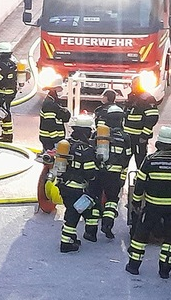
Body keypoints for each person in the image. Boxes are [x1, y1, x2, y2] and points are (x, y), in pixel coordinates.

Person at [127, 127, 171, 278]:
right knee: (170, 238)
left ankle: (133, 266)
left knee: (141, 236)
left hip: (153, 206)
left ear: (159, 144)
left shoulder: (150, 160)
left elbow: (140, 183)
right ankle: (165, 270)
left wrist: (136, 202)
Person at [57, 114, 98, 253]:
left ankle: (72, 237)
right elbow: (90, 173)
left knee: (71, 210)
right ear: (86, 131)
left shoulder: (66, 143)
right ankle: (66, 244)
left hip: (63, 186)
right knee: (73, 216)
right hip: (77, 188)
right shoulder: (86, 150)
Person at [90, 104, 130, 239]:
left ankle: (91, 231)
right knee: (112, 200)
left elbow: (91, 153)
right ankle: (107, 224)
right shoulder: (125, 137)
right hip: (114, 174)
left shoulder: (98, 134)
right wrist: (122, 176)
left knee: (95, 199)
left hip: (97, 173)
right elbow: (127, 158)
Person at [123, 76, 159, 169]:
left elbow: (152, 118)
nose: (132, 86)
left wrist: (144, 135)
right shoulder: (131, 97)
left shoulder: (148, 98)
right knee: (123, 161)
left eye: (134, 84)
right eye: (132, 84)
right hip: (128, 137)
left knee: (140, 163)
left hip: (139, 138)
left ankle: (139, 181)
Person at [37, 82, 70, 151]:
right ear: (53, 90)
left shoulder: (55, 102)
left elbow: (65, 119)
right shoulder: (49, 104)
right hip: (50, 139)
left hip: (54, 138)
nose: (61, 91)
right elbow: (50, 124)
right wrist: (56, 140)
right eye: (59, 89)